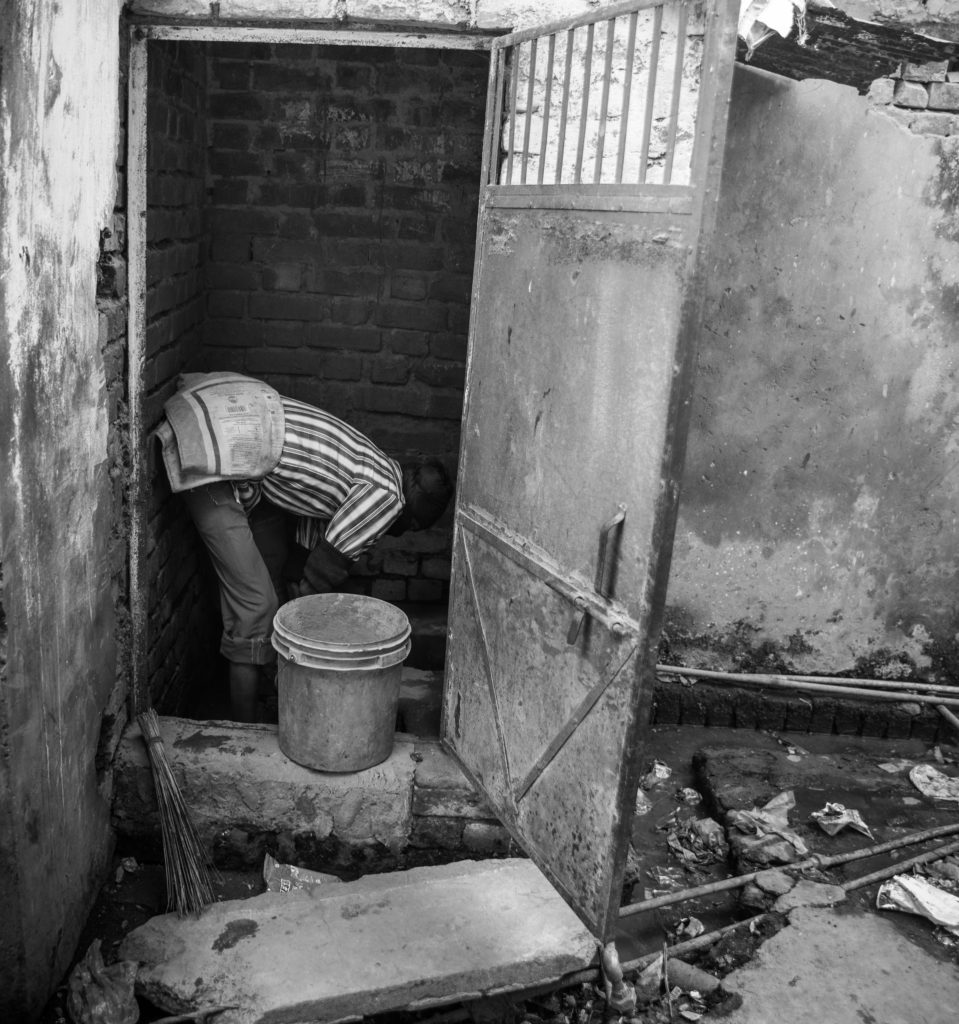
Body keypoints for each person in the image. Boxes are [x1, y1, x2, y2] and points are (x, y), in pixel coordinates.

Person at [156, 372, 453, 721]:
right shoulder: (389, 498)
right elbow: (332, 558)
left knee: (273, 580)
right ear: (415, 515)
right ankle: (244, 731)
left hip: (231, 409)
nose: (400, 533)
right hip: (218, 446)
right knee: (258, 608)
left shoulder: (376, 465)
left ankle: (263, 685)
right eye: (412, 527)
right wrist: (304, 631)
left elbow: (312, 527)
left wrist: (296, 588)